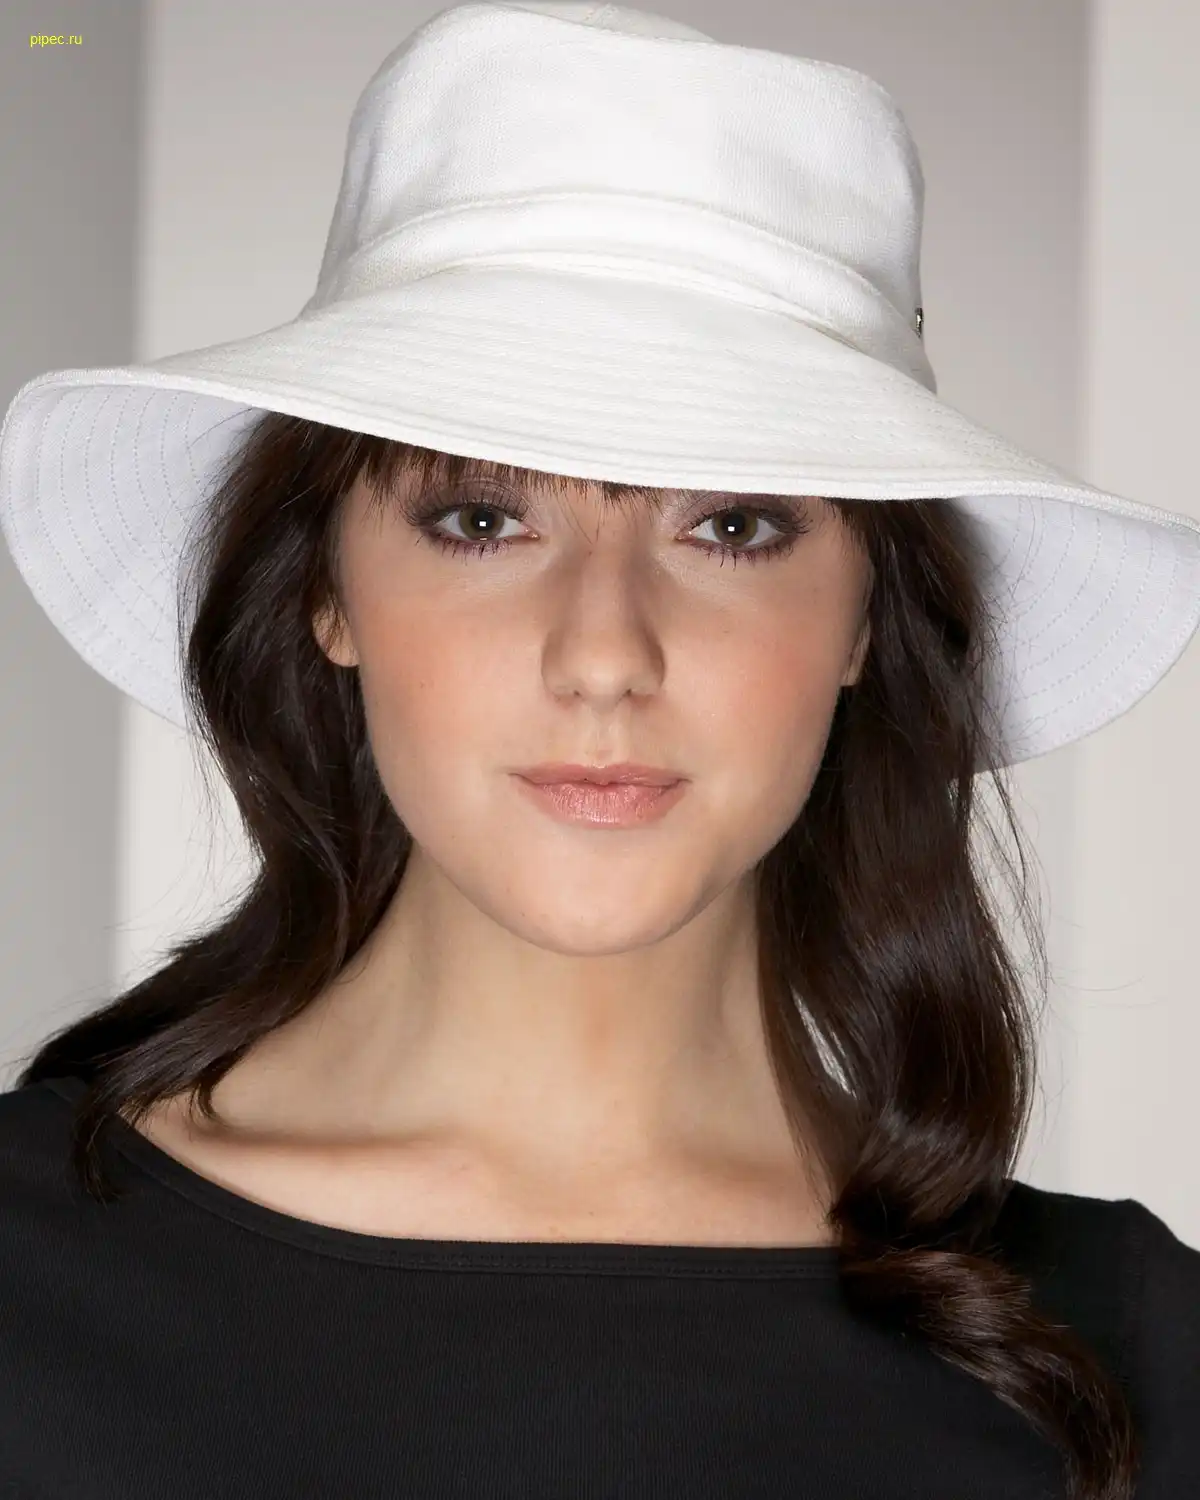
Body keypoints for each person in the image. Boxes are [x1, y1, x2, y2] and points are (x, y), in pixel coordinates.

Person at [0, 4, 1197, 1498]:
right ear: (328, 593)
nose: (605, 654)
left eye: (733, 525)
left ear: (865, 621)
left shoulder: (1129, 1351)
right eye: (483, 518)